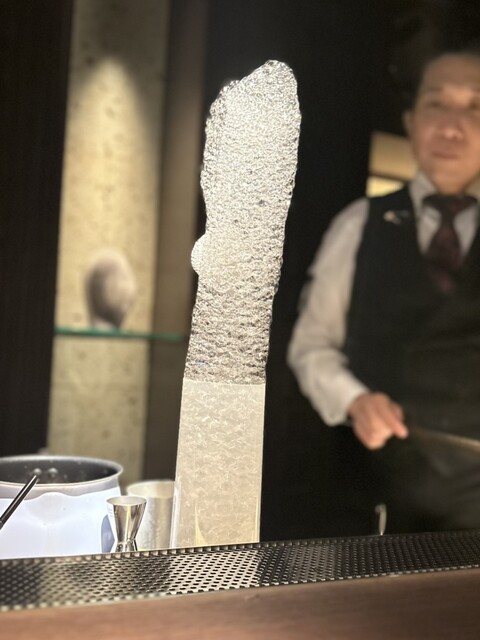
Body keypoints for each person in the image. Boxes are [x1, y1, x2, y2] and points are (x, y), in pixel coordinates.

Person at [288, 47, 480, 533]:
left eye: (475, 107)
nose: (453, 127)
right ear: (411, 122)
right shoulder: (358, 225)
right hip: (374, 501)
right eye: (437, 104)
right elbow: (311, 347)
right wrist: (354, 400)